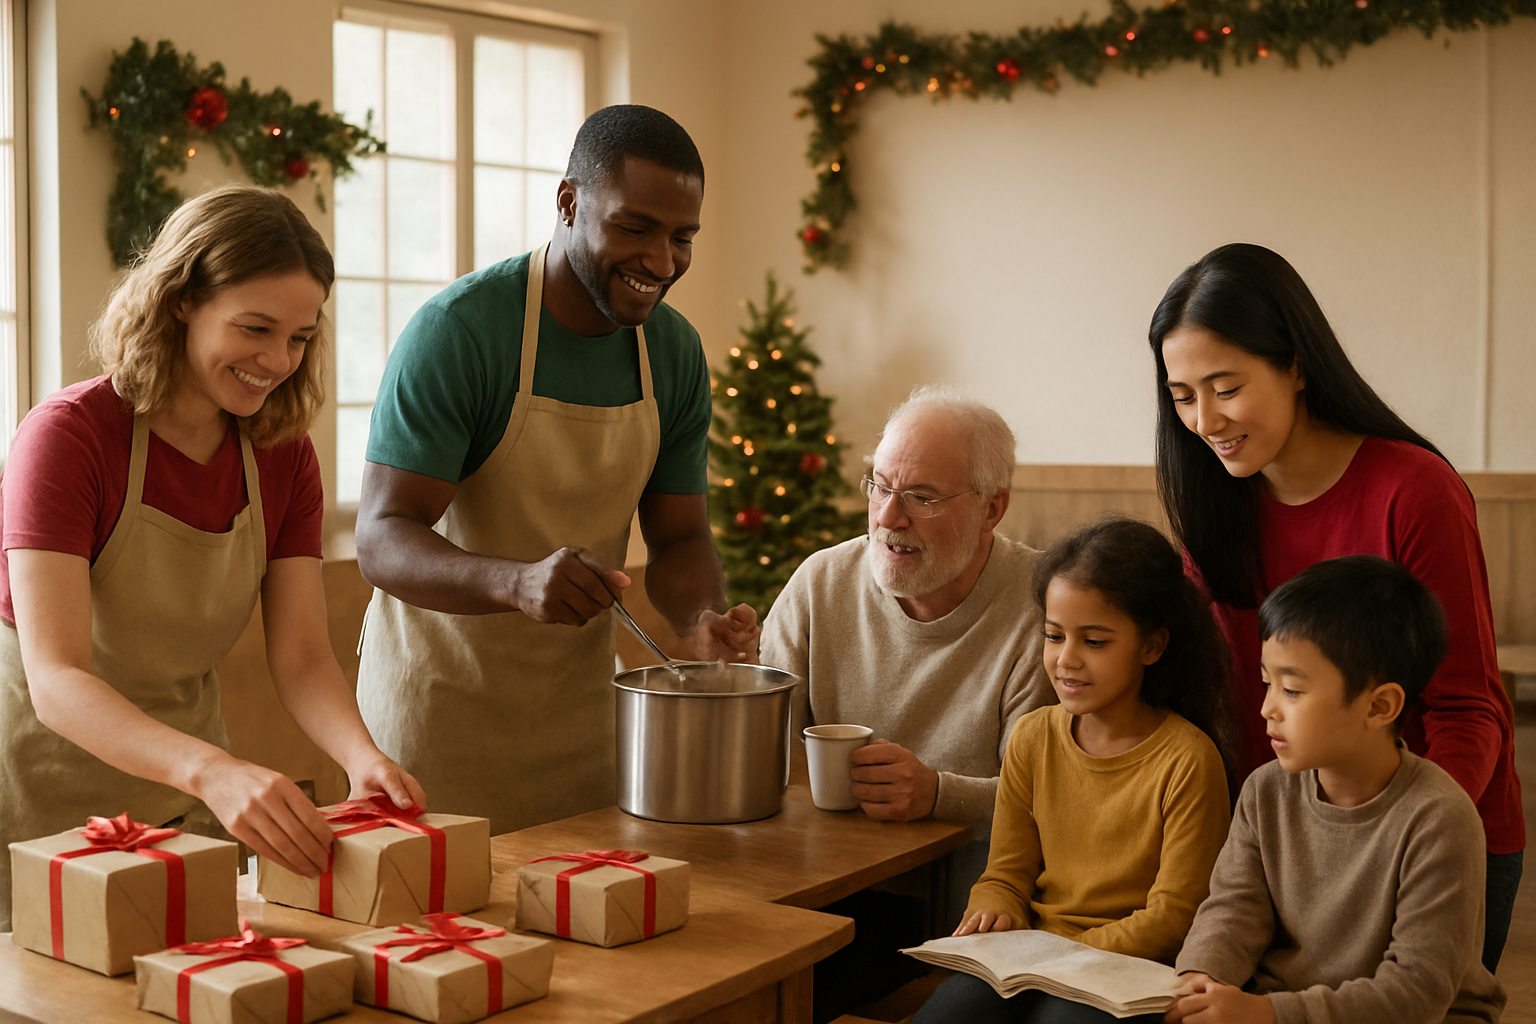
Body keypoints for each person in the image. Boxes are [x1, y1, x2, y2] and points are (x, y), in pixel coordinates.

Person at [0, 185, 423, 930]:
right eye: (255, 328)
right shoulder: (68, 438)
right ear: (179, 302)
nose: (278, 361)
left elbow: (300, 657)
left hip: (183, 791)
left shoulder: (282, 457)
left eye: (299, 336)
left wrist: (363, 759)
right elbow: (58, 681)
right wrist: (213, 769)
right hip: (37, 780)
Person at [354, 105, 757, 836]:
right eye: (635, 227)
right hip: (437, 728)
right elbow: (381, 538)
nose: (662, 263)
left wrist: (697, 621)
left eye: (682, 237)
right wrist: (515, 582)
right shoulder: (460, 332)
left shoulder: (673, 354)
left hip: (583, 735)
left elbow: (679, 539)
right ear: (569, 202)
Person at [1149, 242, 1524, 971]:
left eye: (1225, 387)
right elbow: (1205, 696)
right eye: (1182, 395)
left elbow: (1466, 708)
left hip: (1423, 841)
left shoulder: (1414, 490)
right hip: (1280, 846)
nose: (1204, 420)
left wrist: (1394, 839)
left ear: (1295, 364)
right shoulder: (1214, 501)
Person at [759, 386, 1054, 1020]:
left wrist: (938, 792)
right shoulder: (819, 584)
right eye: (879, 485)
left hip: (977, 915)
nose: (889, 517)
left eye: (921, 497)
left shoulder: (1041, 608)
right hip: (821, 893)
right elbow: (763, 758)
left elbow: (1056, 794)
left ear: (991, 509)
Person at [913, 518, 1234, 1024]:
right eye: (1054, 636)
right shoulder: (1032, 737)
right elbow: (1006, 872)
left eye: (1095, 642)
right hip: (1035, 959)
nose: (1067, 660)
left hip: (1128, 970)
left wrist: (1061, 953)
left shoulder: (1187, 759)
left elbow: (1175, 916)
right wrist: (993, 907)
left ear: (1152, 646)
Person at [1168, 556, 1506, 1024]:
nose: (1267, 708)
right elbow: (1233, 909)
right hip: (1286, 1005)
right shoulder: (1265, 792)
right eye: (1268, 683)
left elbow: (1415, 994)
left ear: (1379, 706)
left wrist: (1267, 1014)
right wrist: (1200, 976)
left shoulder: (1439, 817)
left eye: (1292, 690)